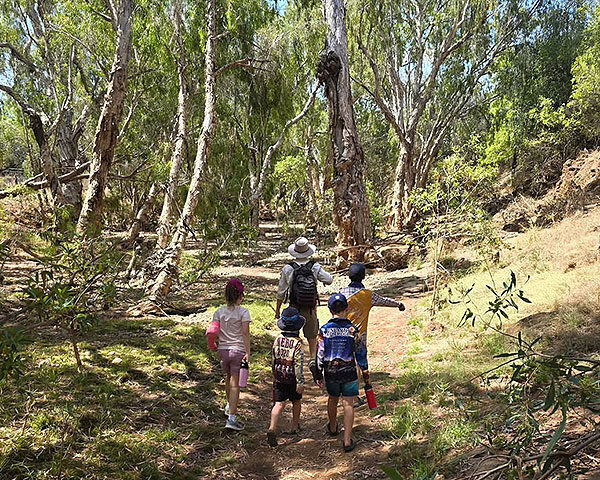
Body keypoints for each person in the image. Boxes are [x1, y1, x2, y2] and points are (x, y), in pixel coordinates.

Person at [340, 263, 405, 407]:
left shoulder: (341, 293)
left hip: (343, 335)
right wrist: (398, 304)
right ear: (363, 277)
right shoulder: (368, 295)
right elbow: (384, 301)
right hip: (360, 336)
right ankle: (357, 396)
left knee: (348, 363)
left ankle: (349, 394)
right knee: (360, 364)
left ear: (349, 276)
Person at [312, 293, 369, 452]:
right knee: (348, 403)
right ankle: (347, 440)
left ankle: (332, 427)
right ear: (347, 309)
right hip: (349, 371)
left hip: (331, 371)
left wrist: (318, 373)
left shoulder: (324, 330)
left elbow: (320, 353)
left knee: (332, 399)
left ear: (330, 310)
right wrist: (365, 370)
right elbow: (360, 352)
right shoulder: (353, 330)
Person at [275, 236, 333, 362]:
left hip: (294, 306)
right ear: (308, 251)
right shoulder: (314, 267)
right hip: (310, 308)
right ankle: (313, 359)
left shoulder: (288, 268)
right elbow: (329, 279)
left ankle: (292, 359)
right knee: (312, 336)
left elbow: (281, 291)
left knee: (292, 335)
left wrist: (278, 310)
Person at [213, 278, 251, 431]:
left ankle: (229, 406)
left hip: (223, 350)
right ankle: (232, 418)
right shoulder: (243, 312)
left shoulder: (219, 312)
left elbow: (214, 330)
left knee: (228, 379)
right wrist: (248, 351)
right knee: (235, 385)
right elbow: (245, 333)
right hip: (238, 350)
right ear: (240, 296)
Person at [267, 307, 306, 447]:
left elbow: (273, 358)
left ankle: (272, 428)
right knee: (296, 401)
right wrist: (300, 382)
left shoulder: (277, 339)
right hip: (292, 378)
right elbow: (298, 363)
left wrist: (274, 374)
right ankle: (295, 427)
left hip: (279, 376)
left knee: (279, 404)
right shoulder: (297, 342)